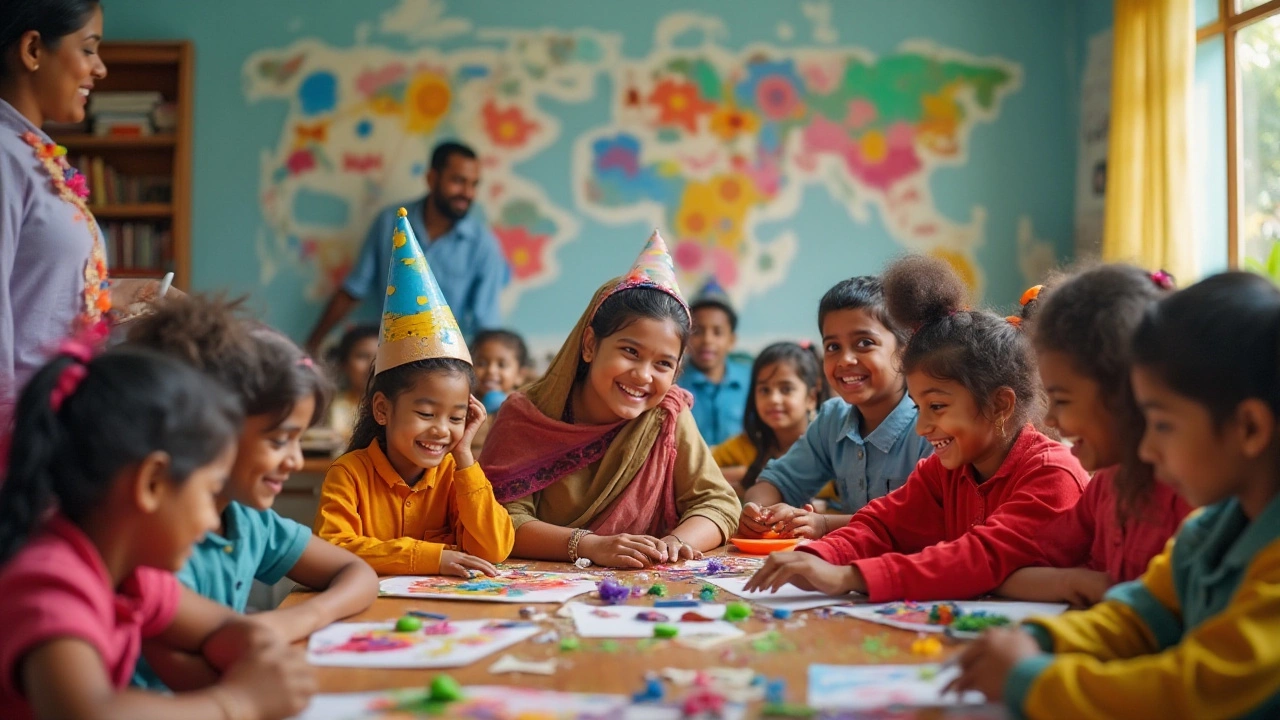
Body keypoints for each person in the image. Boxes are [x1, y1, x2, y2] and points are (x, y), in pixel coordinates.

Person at [948, 271, 1280, 719]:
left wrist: (1031, 679)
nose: (1145, 448)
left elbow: (1190, 691)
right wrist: (1042, 641)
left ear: (1250, 429)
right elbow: (1139, 615)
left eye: (1162, 425)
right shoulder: (1209, 528)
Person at [744, 255, 1088, 601]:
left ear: (1000, 404)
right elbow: (882, 525)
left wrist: (847, 575)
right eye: (919, 406)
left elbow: (976, 557)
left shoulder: (1052, 474)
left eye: (936, 407)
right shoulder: (945, 470)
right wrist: (813, 558)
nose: (922, 427)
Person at [0, 343, 314, 719]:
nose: (213, 522)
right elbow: (90, 713)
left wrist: (257, 649)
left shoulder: (135, 577)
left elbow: (221, 627)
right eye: (210, 491)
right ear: (152, 483)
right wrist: (236, 702)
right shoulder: (50, 581)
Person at [125, 296, 377, 685]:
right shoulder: (150, 543)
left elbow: (357, 572)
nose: (294, 460)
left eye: (299, 440)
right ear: (213, 430)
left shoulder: (246, 520)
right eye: (279, 441)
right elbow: (205, 675)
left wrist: (294, 620)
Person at [480, 231, 740, 569]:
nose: (643, 376)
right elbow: (496, 517)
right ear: (590, 344)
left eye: (663, 364)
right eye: (630, 352)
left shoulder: (665, 415)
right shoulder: (526, 415)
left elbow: (718, 502)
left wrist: (675, 543)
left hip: (643, 586)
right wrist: (589, 546)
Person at [314, 208, 514, 577]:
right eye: (426, 413)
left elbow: (495, 547)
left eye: (455, 417)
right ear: (382, 409)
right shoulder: (349, 474)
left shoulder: (456, 473)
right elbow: (332, 546)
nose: (442, 429)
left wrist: (466, 456)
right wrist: (433, 557)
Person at [997, 266, 1192, 607]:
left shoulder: (1193, 497)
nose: (1049, 418)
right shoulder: (1105, 487)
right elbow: (1010, 570)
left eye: (1062, 399)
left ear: (1126, 394)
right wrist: (1074, 580)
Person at [738, 277, 933, 539]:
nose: (845, 360)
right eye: (833, 347)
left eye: (864, 343)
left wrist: (825, 524)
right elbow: (777, 481)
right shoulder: (833, 419)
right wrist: (759, 511)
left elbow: (923, 517)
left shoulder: (930, 423)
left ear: (905, 352)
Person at [305, 141, 507, 354]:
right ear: (432, 178)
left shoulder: (483, 245)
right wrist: (310, 347)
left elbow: (487, 324)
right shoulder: (389, 223)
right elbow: (353, 289)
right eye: (458, 181)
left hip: (446, 358)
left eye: (474, 184)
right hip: (389, 353)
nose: (468, 193)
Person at [713, 342, 827, 499]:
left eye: (786, 389)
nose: (773, 399)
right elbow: (692, 470)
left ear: (812, 397)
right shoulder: (746, 445)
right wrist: (743, 474)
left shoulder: (828, 449)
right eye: (764, 390)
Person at [678, 279, 751, 446]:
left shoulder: (752, 380)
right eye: (698, 331)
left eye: (717, 332)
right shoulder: (674, 385)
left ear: (731, 340)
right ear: (686, 338)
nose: (707, 340)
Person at [319, 323, 378, 449]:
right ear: (343, 363)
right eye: (362, 356)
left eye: (380, 357)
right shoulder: (328, 406)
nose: (372, 365)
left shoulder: (399, 407)